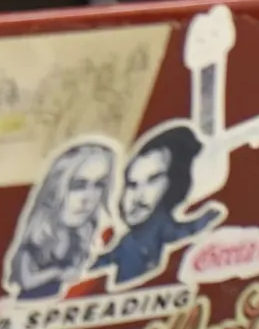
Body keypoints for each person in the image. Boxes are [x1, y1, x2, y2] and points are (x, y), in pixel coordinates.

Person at [92, 121, 223, 288]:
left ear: (174, 182)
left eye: (152, 180)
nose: (137, 197)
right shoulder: (125, 243)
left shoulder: (176, 232)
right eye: (132, 185)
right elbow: (99, 266)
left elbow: (186, 234)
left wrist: (207, 218)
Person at [5, 139, 115, 299]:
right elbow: (25, 281)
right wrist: (58, 273)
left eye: (99, 185)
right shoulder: (36, 238)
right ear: (55, 189)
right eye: (78, 185)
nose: (89, 198)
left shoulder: (81, 236)